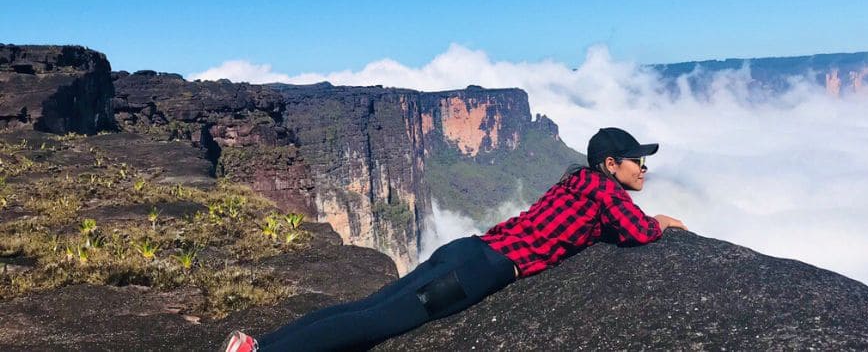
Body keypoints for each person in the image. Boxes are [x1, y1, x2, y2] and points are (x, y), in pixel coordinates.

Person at [220, 127, 688, 352]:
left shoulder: (573, 182)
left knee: (367, 305)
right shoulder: (607, 193)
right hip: (480, 271)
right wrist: (664, 222)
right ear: (611, 165)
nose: (643, 168)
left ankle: (257, 344)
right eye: (635, 160)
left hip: (465, 249)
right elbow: (639, 233)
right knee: (379, 322)